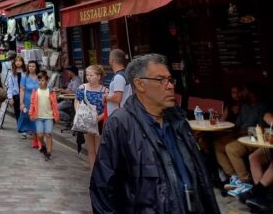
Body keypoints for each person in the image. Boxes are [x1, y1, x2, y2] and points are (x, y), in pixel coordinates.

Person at [90, 54, 220, 214]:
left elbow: (201, 182)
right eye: (161, 80)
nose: (170, 86)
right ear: (140, 84)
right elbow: (102, 190)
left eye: (170, 80)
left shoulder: (179, 121)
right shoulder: (121, 125)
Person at [214, 82, 267, 195]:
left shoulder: (262, 107)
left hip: (253, 138)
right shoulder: (245, 106)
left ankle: (245, 181)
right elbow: (238, 124)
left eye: (243, 91)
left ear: (252, 93)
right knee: (218, 145)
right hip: (239, 135)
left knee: (231, 148)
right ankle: (234, 177)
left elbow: (261, 129)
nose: (241, 94)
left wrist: (245, 132)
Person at [74, 64, 108, 169]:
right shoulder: (82, 88)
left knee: (99, 149)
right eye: (87, 75)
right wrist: (79, 113)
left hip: (99, 121)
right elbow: (77, 101)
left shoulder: (105, 91)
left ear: (98, 76)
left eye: (91, 75)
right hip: (86, 120)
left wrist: (99, 118)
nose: (88, 77)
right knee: (91, 149)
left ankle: (99, 171)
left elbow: (107, 109)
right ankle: (93, 171)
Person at [30, 71, 59, 161]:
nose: (41, 82)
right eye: (39, 80)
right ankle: (42, 145)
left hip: (49, 117)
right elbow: (32, 103)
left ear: (46, 81)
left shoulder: (50, 91)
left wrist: (56, 115)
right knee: (40, 134)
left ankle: (49, 152)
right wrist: (31, 113)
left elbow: (54, 104)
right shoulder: (35, 91)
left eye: (42, 80)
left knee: (48, 134)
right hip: (38, 116)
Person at [19, 60, 40, 148]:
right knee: (32, 120)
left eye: (33, 66)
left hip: (39, 101)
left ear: (36, 67)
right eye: (29, 66)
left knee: (38, 120)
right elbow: (22, 90)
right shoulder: (24, 76)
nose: (31, 68)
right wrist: (21, 103)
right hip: (28, 101)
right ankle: (35, 140)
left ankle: (39, 140)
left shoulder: (39, 76)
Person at [105, 49, 131, 118]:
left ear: (112, 59)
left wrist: (105, 97)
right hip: (124, 114)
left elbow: (117, 98)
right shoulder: (126, 74)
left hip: (118, 116)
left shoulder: (118, 77)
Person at [6, 55, 26, 136]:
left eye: (20, 61)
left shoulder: (25, 72)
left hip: (25, 95)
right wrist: (10, 97)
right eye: (16, 61)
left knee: (25, 112)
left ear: (22, 62)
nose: (18, 63)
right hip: (16, 95)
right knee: (18, 113)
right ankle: (21, 129)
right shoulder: (11, 73)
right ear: (14, 62)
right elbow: (10, 86)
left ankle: (26, 127)